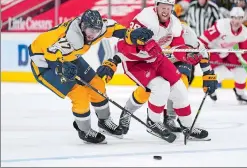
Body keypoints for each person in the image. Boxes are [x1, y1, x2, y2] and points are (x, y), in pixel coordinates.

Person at [28, 9, 153, 144]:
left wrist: (132, 34)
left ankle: (104, 121)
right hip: (45, 64)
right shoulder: (72, 37)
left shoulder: (97, 28)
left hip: (68, 56)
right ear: (82, 26)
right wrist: (62, 67)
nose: (92, 35)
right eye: (90, 30)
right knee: (79, 93)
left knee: (97, 83)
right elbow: (50, 54)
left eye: (96, 31)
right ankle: (85, 131)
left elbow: (115, 29)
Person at [112, 0, 217, 142]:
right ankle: (152, 122)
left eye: (169, 7)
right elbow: (124, 45)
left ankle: (188, 126)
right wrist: (143, 46)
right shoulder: (145, 18)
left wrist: (192, 59)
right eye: (163, 6)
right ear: (156, 5)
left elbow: (186, 48)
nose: (166, 10)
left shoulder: (177, 26)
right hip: (135, 61)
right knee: (160, 87)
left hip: (157, 59)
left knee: (180, 88)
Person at [198, 7, 247, 104]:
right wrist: (201, 51)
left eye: (239, 18)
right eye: (234, 17)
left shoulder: (244, 33)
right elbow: (204, 39)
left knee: (241, 71)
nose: (236, 21)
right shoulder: (221, 25)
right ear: (230, 17)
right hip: (214, 51)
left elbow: (245, 52)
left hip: (228, 53)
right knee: (220, 73)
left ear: (242, 19)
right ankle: (211, 88)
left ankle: (240, 94)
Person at [185, 0, 223, 85]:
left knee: (210, 66)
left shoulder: (212, 7)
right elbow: (186, 25)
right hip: (194, 43)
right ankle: (185, 86)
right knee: (189, 66)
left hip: (209, 43)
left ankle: (211, 86)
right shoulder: (191, 7)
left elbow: (220, 23)